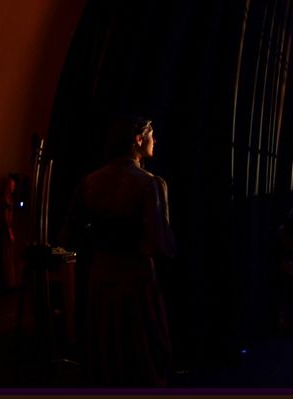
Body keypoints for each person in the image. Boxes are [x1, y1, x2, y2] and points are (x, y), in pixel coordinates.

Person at [60, 115, 175, 387]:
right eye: (151, 135)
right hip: (137, 286)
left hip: (100, 284)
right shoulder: (150, 184)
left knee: (107, 358)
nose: (154, 140)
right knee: (142, 359)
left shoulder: (90, 182)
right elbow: (162, 244)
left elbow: (68, 236)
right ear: (138, 138)